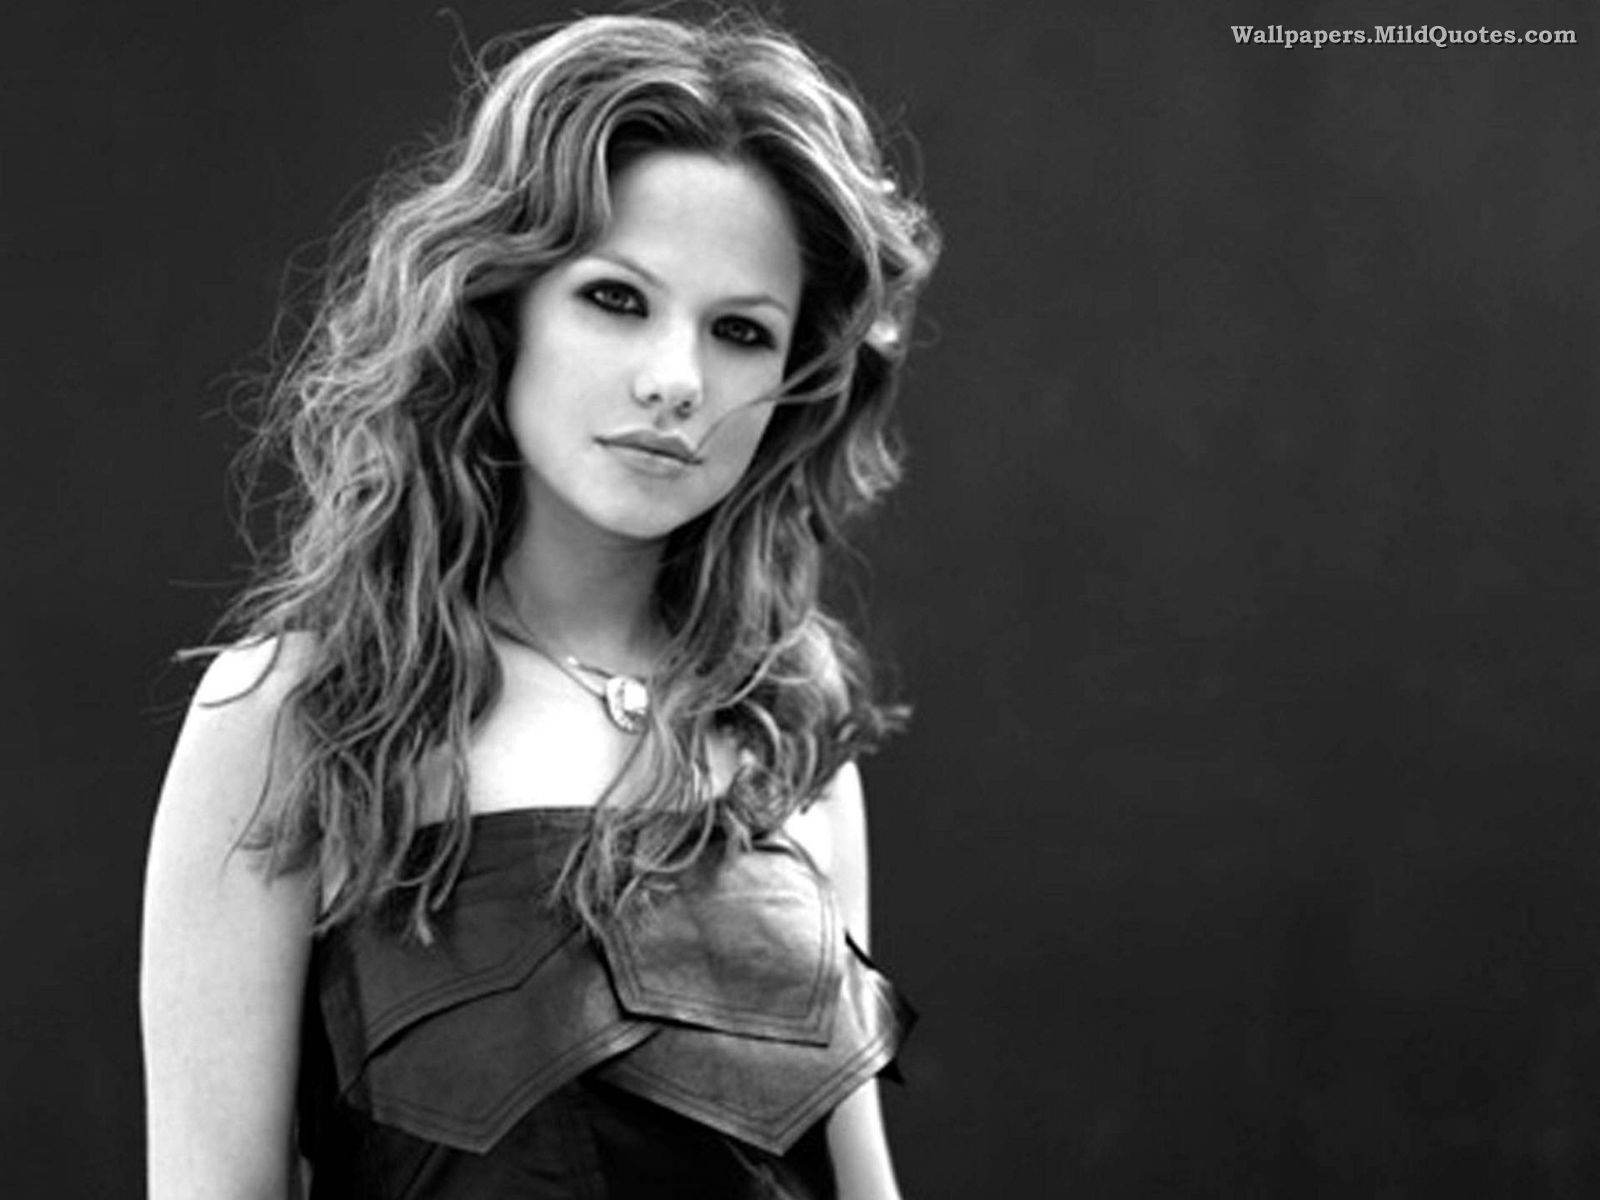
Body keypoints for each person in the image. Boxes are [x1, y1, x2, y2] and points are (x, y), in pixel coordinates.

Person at [140, 12, 938, 1199]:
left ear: (790, 381)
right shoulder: (294, 719)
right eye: (616, 298)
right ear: (499, 304)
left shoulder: (787, 740)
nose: (676, 380)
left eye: (740, 331)